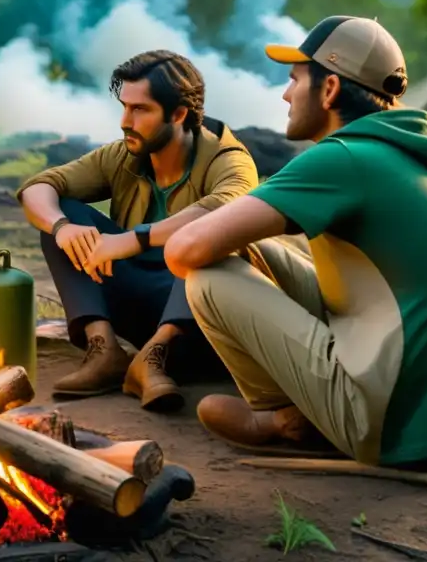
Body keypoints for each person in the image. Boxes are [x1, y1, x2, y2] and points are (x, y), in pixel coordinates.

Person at [165, 15, 427, 466]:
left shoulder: (341, 158)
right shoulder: (422, 156)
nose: (286, 94)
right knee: (257, 249)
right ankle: (311, 404)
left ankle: (287, 417)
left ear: (329, 89)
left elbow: (182, 251)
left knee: (206, 277)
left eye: (294, 80)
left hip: (395, 430)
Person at [16, 50, 266, 412]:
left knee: (209, 239)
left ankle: (154, 358)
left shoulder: (228, 160)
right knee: (66, 215)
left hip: (202, 328)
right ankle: (104, 351)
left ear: (179, 114)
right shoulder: (125, 155)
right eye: (124, 107)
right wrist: (61, 227)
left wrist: (133, 240)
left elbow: (228, 208)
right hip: (139, 308)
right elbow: (39, 186)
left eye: (140, 110)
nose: (124, 121)